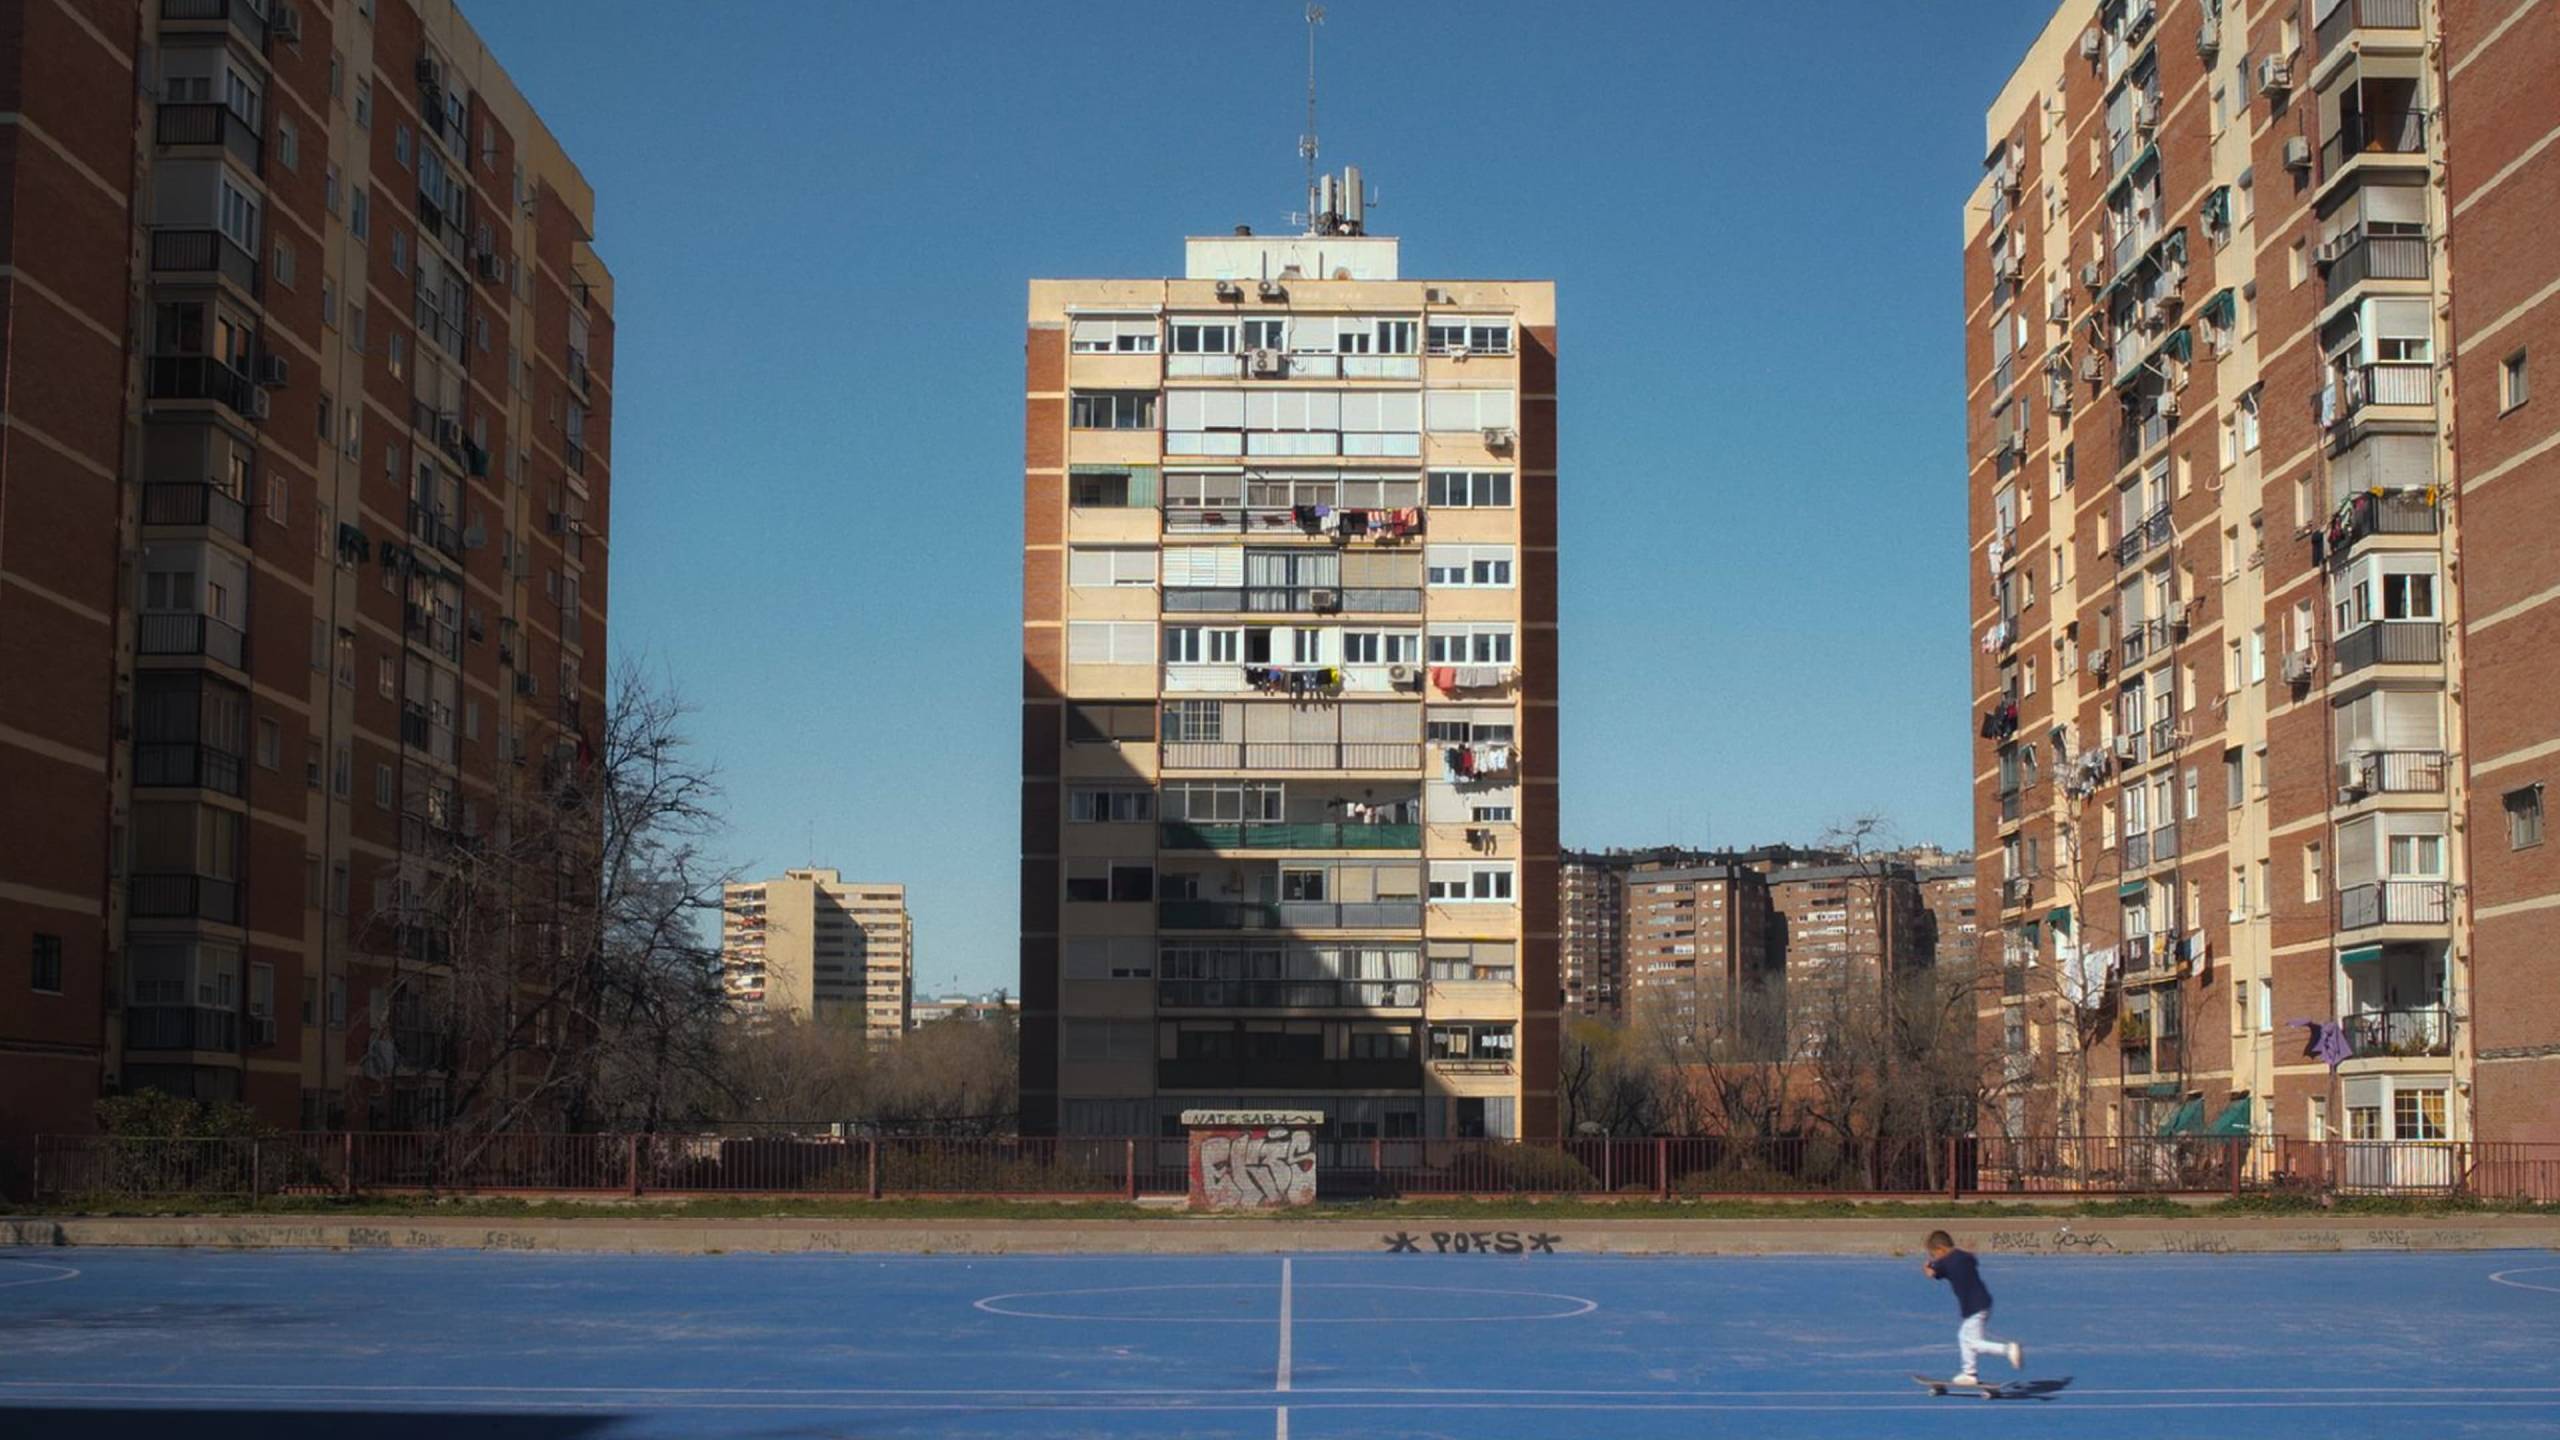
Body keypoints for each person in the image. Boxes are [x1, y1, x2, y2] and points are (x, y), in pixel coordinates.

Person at [1922, 1229, 2023, 1385]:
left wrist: (1930, 1270)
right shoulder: (1962, 1257)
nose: (1934, 1257)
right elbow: (1969, 1259)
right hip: (1983, 1303)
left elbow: (1936, 1271)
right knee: (1964, 1337)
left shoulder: (1947, 1261)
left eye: (1934, 1254)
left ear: (1941, 1249)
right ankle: (1969, 1373)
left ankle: (2007, 1349)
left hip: (1974, 1307)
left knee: (1973, 1343)